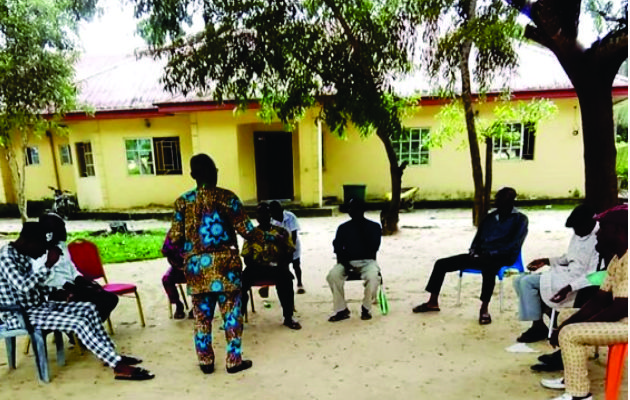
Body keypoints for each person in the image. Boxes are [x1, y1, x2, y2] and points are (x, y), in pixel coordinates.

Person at [0, 222, 153, 380]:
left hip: (38, 308)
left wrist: (58, 293)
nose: (42, 252)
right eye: (41, 247)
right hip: (18, 315)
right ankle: (118, 366)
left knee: (88, 308)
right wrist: (48, 265)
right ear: (27, 241)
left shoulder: (24, 253)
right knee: (78, 322)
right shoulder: (6, 257)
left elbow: (34, 286)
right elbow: (23, 286)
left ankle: (111, 355)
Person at [167, 153, 255, 374]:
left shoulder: (181, 202)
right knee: (232, 315)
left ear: (193, 175)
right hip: (226, 267)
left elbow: (175, 238)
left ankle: (206, 362)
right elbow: (247, 231)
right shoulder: (228, 198)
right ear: (215, 172)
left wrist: (184, 256)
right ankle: (233, 361)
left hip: (197, 268)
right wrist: (271, 238)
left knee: (201, 317)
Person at [539, 204, 627, 400]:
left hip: (626, 321)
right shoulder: (617, 260)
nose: (597, 234)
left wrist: (569, 327)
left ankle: (579, 395)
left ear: (619, 231)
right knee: (566, 316)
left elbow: (620, 307)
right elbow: (600, 299)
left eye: (602, 228)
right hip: (620, 317)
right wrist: (565, 323)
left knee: (571, 334)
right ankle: (572, 378)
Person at [412, 187, 528, 325]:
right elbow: (478, 238)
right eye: (497, 199)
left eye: (501, 200)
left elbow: (513, 245)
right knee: (441, 264)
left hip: (502, 256)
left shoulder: (520, 219)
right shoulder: (490, 218)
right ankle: (432, 302)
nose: (497, 202)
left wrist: (490, 253)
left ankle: (484, 308)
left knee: (489, 268)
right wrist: (473, 251)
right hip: (482, 254)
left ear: (510, 202)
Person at [513, 205, 600, 343]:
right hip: (566, 273)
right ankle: (541, 321)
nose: (575, 232)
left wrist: (570, 287)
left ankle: (537, 326)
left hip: (578, 282)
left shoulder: (599, 238)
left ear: (589, 223)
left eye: (577, 228)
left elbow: (594, 275)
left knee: (527, 283)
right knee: (518, 280)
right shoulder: (579, 232)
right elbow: (569, 257)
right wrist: (547, 261)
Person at [39, 213, 119, 322]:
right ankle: (82, 330)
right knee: (93, 300)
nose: (64, 231)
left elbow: (72, 268)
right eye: (60, 227)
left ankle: (90, 327)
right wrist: (71, 287)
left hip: (72, 285)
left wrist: (83, 281)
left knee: (110, 298)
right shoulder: (40, 250)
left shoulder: (62, 245)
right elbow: (47, 278)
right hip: (57, 291)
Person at [241, 203, 301, 330]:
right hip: (256, 268)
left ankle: (288, 317)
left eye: (266, 213)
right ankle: (238, 318)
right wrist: (256, 265)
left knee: (286, 280)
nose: (263, 216)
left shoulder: (282, 232)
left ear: (270, 215)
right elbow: (246, 256)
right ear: (256, 217)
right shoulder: (251, 234)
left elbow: (290, 252)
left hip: (277, 267)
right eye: (260, 213)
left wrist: (282, 264)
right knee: (239, 284)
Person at [326, 199, 382, 322]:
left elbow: (373, 249)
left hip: (367, 262)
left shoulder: (374, 227)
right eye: (350, 209)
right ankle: (341, 309)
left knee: (373, 277)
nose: (352, 212)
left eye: (355, 209)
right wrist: (346, 264)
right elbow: (338, 249)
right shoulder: (343, 228)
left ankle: (366, 308)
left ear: (362, 211)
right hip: (346, 262)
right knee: (333, 276)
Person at [269, 201, 305, 294]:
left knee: (296, 264)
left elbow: (294, 234)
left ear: (281, 210)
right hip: (280, 247)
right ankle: (287, 285)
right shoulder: (271, 221)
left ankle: (300, 283)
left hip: (293, 244)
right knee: (284, 266)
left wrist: (290, 247)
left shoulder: (290, 217)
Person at [161, 231, 192, 319]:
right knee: (166, 279)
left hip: (196, 267)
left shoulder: (196, 231)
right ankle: (178, 304)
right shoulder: (173, 232)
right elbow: (167, 253)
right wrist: (177, 266)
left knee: (198, 280)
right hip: (177, 267)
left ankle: (196, 306)